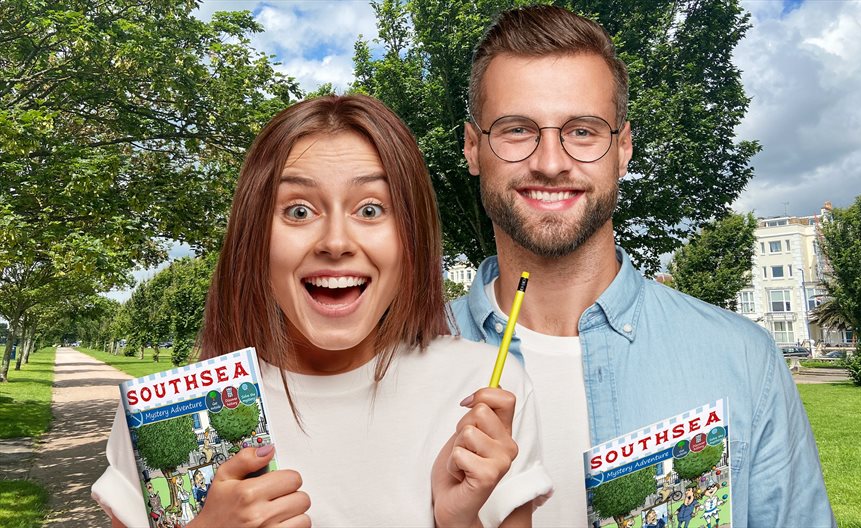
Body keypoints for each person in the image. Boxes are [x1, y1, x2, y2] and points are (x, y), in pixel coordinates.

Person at [449, 4, 835, 527]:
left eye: (582, 131)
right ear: (474, 148)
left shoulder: (743, 360)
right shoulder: (395, 356)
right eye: (516, 129)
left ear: (623, 147)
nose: (550, 161)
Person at [92, 95, 551, 527]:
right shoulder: (161, 414)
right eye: (297, 211)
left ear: (412, 236)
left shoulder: (490, 390)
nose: (335, 242)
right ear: (254, 238)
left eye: (371, 210)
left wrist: (459, 522)